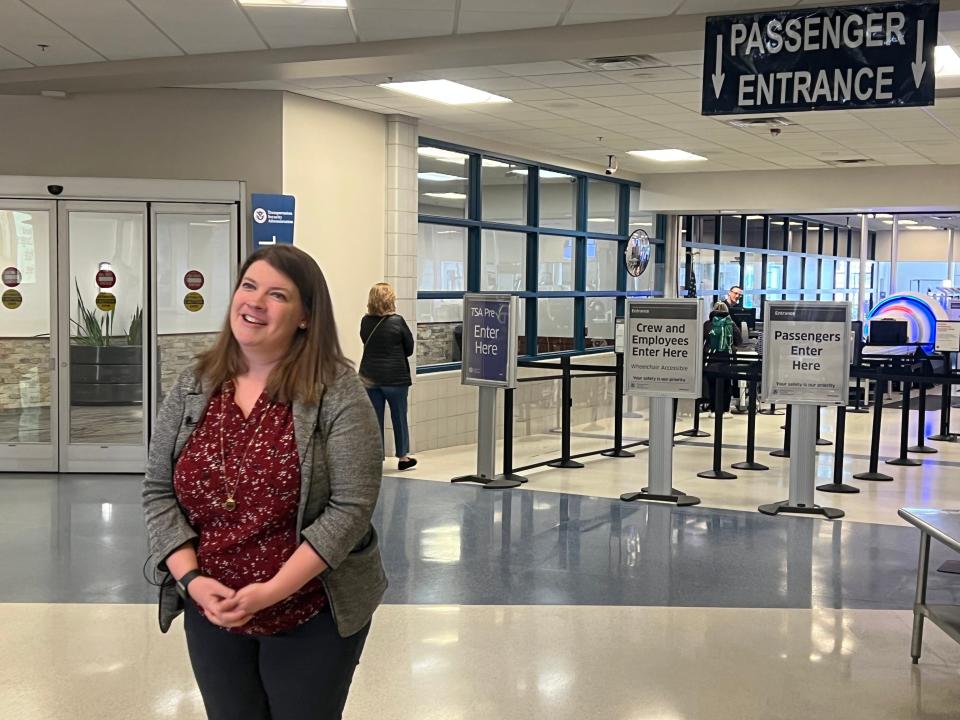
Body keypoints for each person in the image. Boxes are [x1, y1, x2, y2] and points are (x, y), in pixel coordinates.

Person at [142, 245, 386, 720]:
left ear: (305, 318)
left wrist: (272, 590)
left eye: (277, 294)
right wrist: (191, 580)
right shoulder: (195, 383)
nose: (255, 302)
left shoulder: (336, 389)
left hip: (313, 608)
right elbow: (157, 490)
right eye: (248, 286)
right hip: (212, 605)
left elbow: (351, 508)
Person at [360, 282, 417, 471]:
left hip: (370, 377)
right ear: (390, 300)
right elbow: (409, 348)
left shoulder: (365, 321)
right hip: (396, 379)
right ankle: (403, 457)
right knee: (399, 416)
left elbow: (365, 341)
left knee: (374, 418)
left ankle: (376, 458)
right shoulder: (397, 321)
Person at [702, 301, 743, 415]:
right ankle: (725, 410)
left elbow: (701, 340)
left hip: (710, 360)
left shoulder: (707, 324)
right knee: (726, 385)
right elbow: (739, 342)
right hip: (727, 360)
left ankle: (713, 409)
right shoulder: (731, 324)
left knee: (712, 385)